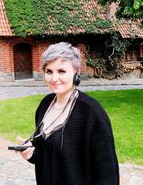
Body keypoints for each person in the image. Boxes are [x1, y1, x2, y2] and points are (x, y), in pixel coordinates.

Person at [19, 42, 119, 185]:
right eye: (49, 71)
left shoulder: (91, 112)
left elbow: (107, 171)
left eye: (61, 71)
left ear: (76, 73)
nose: (54, 78)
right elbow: (48, 154)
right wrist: (31, 153)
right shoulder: (44, 105)